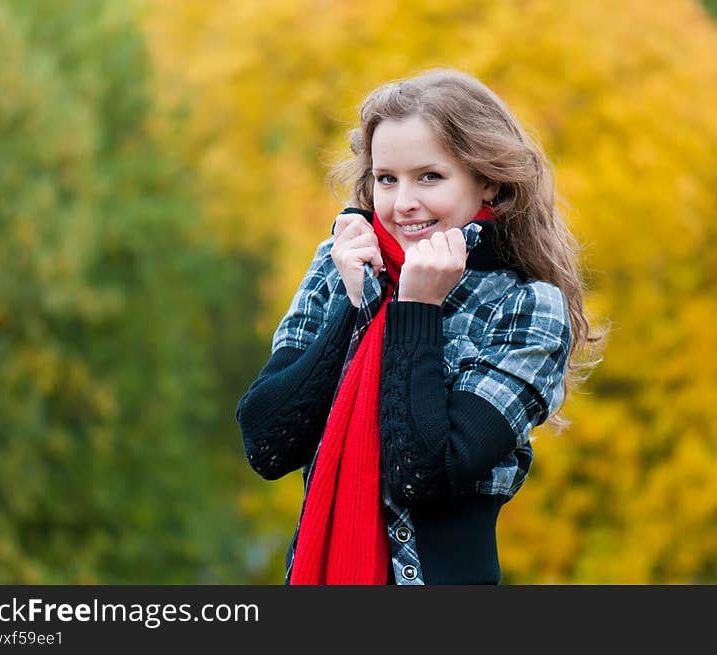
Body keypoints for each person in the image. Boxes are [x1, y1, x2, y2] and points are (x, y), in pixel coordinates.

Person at [236, 68, 597, 585]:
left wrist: (417, 309)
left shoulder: (528, 307)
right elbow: (267, 443)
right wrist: (360, 302)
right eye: (387, 179)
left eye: (429, 176)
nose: (403, 202)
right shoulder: (338, 266)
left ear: (488, 180)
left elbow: (421, 473)